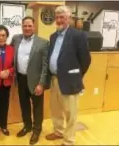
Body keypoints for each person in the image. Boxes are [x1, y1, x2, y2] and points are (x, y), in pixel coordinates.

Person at [45, 6, 91, 146]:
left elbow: (85, 60)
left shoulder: (78, 35)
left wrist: (76, 75)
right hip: (54, 79)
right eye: (57, 17)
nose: (59, 20)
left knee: (71, 113)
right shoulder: (53, 36)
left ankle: (69, 141)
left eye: (62, 17)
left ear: (68, 18)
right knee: (56, 109)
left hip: (70, 81)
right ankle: (58, 131)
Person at [11, 16, 49, 145]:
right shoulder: (16, 39)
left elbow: (45, 65)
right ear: (22, 27)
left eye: (29, 26)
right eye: (25, 26)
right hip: (20, 78)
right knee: (24, 104)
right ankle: (27, 126)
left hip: (36, 81)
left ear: (34, 27)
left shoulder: (43, 43)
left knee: (37, 107)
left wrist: (42, 84)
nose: (27, 28)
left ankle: (37, 130)